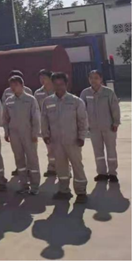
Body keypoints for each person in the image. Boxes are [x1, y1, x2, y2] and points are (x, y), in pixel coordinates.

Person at [42, 72, 89, 203]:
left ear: (66, 84)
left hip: (73, 140)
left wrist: (81, 137)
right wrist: (45, 134)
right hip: (56, 141)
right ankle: (64, 190)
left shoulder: (76, 101)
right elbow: (44, 119)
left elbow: (82, 120)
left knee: (77, 166)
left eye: (61, 84)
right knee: (61, 166)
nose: (59, 87)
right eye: (56, 84)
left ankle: (81, 192)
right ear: (52, 85)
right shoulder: (48, 101)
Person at [80, 70, 120, 183]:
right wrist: (84, 125)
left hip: (109, 127)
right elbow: (81, 110)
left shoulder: (108, 92)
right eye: (91, 78)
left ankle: (113, 173)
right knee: (98, 151)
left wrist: (116, 123)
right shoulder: (85, 93)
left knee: (111, 151)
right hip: (93, 128)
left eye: (96, 77)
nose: (93, 80)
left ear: (101, 79)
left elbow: (115, 108)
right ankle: (102, 173)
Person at [3, 75, 41, 195]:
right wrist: (6, 132)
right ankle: (23, 185)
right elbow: (5, 118)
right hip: (15, 135)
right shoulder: (9, 101)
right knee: (19, 160)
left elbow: (36, 118)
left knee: (32, 160)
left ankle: (35, 186)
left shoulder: (30, 100)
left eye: (16, 85)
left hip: (28, 134)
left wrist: (35, 133)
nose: (13, 88)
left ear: (22, 85)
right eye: (11, 85)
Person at [34, 69, 57, 177]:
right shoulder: (38, 93)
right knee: (50, 148)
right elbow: (36, 109)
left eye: (44, 77)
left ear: (50, 78)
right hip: (45, 124)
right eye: (40, 78)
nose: (42, 80)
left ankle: (66, 168)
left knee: (61, 148)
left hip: (58, 123)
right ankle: (52, 167)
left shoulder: (57, 90)